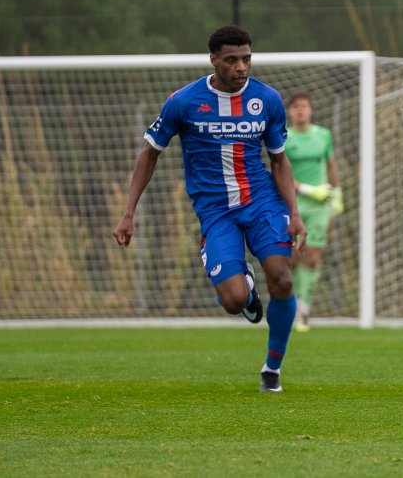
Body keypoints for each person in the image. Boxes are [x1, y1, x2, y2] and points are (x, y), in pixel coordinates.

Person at [113, 25, 306, 394]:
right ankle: (245, 288)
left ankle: (272, 369)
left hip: (261, 201)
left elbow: (279, 161)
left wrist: (295, 213)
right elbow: (149, 154)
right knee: (233, 301)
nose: (241, 67)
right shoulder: (183, 102)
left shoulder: (267, 99)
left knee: (282, 278)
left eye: (246, 59)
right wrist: (128, 213)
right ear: (214, 59)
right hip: (216, 210)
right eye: (232, 60)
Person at [283, 92, 343, 332]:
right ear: (290, 111)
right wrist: (308, 189)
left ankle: (304, 309)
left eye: (305, 106)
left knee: (312, 258)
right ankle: (291, 304)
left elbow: (330, 164)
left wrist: (337, 193)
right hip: (292, 204)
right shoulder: (284, 137)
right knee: (292, 258)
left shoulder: (323, 135)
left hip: (319, 205)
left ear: (311, 110)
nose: (301, 110)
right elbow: (280, 173)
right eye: (296, 106)